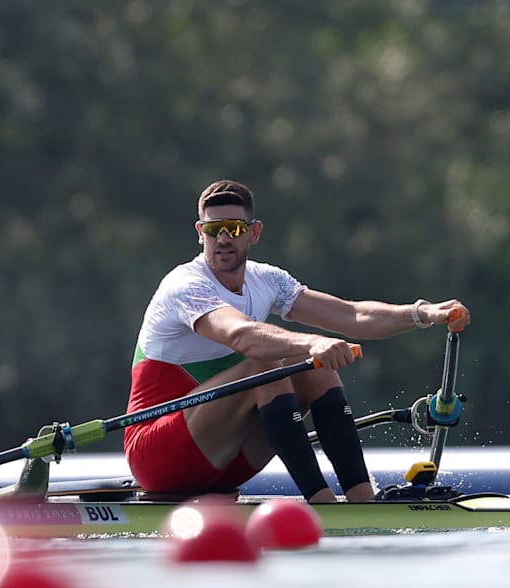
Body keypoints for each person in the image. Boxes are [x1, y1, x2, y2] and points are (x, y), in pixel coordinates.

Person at [124, 180, 470, 503]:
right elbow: (241, 336)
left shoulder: (268, 280)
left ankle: (362, 499)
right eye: (214, 230)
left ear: (254, 233)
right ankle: (324, 505)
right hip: (158, 455)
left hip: (226, 462)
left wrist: (421, 313)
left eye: (235, 229)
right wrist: (312, 344)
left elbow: (351, 316)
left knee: (312, 370)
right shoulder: (185, 285)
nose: (224, 239)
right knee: (270, 364)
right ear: (201, 233)